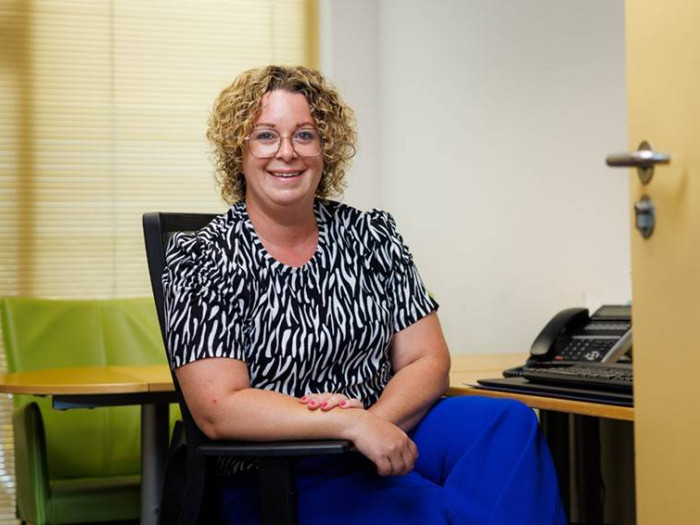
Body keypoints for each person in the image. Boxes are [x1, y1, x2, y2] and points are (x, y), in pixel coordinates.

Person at [162, 65, 567, 524]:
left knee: (508, 422)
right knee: (446, 512)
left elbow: (428, 359)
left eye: (305, 135)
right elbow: (219, 406)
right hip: (280, 469)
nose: (287, 152)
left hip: (387, 431)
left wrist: (374, 424)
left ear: (326, 149)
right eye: (266, 136)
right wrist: (347, 424)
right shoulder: (204, 256)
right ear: (238, 152)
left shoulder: (371, 234)